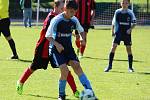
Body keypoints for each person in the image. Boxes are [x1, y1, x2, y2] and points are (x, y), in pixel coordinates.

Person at [16, 0, 80, 98]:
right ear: (56, 7)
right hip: (44, 49)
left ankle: (75, 91)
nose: (64, 10)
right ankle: (20, 82)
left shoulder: (61, 18)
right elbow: (49, 34)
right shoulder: (52, 18)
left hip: (56, 50)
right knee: (33, 67)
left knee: (65, 70)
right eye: (62, 8)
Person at [45, 0, 98, 100]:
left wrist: (82, 38)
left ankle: (90, 93)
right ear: (65, 9)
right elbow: (48, 36)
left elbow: (81, 30)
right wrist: (57, 44)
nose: (72, 14)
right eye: (71, 12)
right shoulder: (56, 20)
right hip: (56, 50)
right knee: (64, 70)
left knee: (77, 66)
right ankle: (61, 95)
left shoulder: (74, 19)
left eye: (74, 12)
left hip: (68, 49)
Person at [104, 0, 136, 72]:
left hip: (126, 33)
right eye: (123, 3)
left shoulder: (130, 12)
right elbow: (113, 22)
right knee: (113, 47)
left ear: (128, 4)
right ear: (120, 3)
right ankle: (109, 66)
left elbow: (134, 23)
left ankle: (130, 68)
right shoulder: (117, 11)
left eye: (126, 3)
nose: (124, 4)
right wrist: (112, 31)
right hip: (118, 32)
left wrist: (130, 29)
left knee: (128, 49)